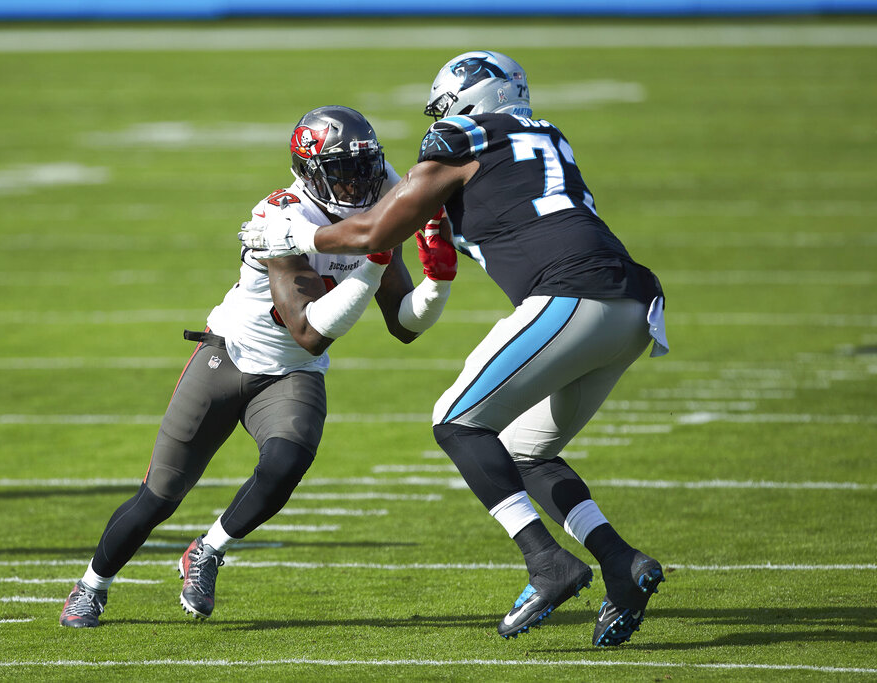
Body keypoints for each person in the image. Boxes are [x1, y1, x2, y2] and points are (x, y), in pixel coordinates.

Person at [239, 52, 669, 647]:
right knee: (528, 451)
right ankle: (622, 565)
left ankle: (547, 563)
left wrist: (296, 234)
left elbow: (372, 233)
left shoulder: (459, 138)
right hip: (636, 305)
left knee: (456, 421)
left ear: (468, 101)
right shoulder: (544, 134)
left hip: (571, 294)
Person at [60, 105, 457, 628]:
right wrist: (376, 256)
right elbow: (310, 332)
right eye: (343, 169)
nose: (358, 181)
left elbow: (403, 324)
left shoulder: (382, 194)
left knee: (286, 463)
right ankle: (92, 585)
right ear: (311, 171)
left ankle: (208, 549)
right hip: (229, 357)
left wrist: (439, 280)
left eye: (364, 166)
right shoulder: (281, 216)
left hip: (290, 374)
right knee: (160, 495)